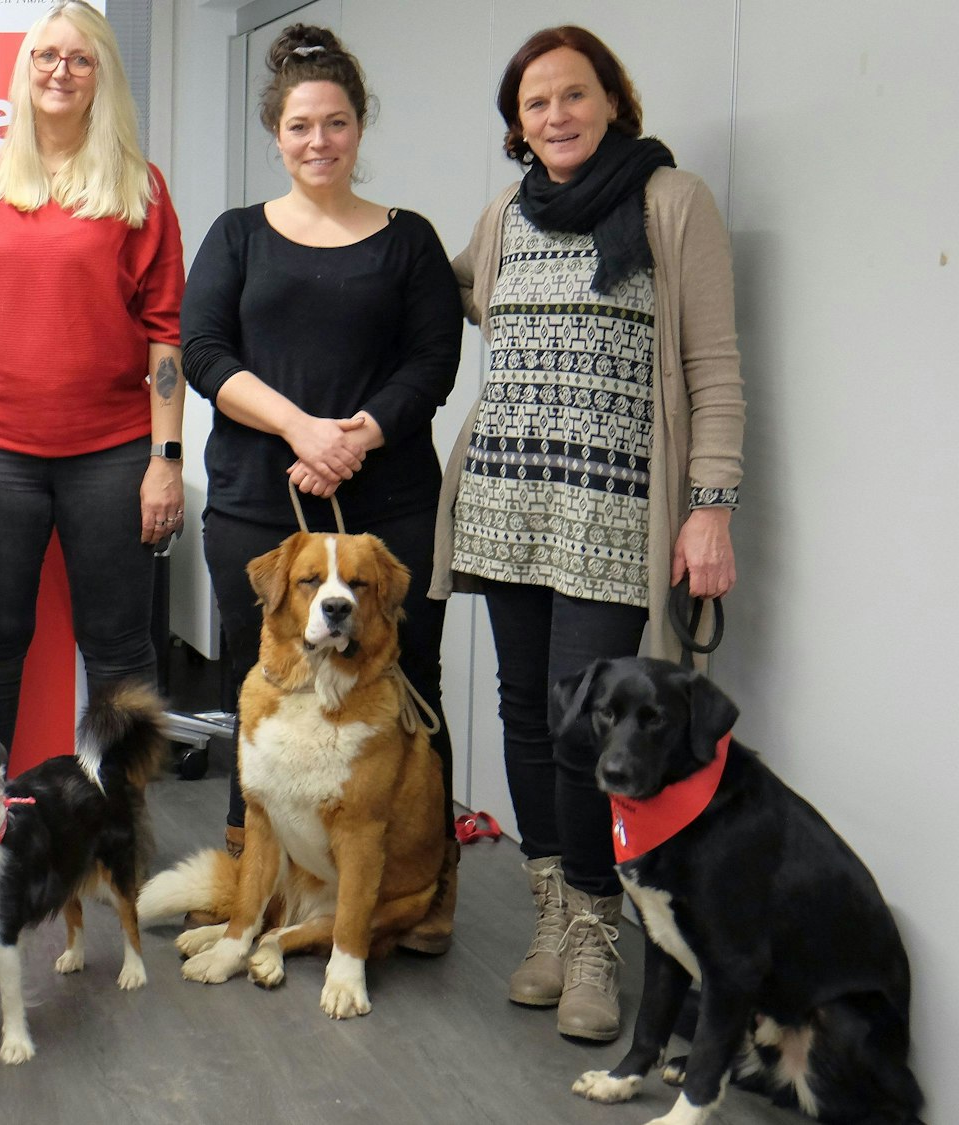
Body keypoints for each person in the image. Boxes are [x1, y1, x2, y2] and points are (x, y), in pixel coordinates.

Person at [430, 26, 745, 1040]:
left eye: (572, 95)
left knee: (590, 731)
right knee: (525, 712)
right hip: (506, 499)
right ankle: (551, 921)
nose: (555, 116)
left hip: (613, 508)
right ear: (515, 126)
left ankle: (595, 940)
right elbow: (453, 293)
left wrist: (709, 506)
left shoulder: (668, 202)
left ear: (611, 100)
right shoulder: (503, 215)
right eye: (534, 104)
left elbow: (712, 366)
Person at [181, 24, 462, 939]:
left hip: (389, 505)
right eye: (301, 125)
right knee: (261, 679)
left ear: (358, 127)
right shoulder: (236, 236)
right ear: (276, 132)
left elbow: (432, 361)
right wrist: (301, 427)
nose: (319, 142)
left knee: (407, 681)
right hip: (259, 500)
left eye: (336, 123)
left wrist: (357, 437)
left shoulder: (408, 239)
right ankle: (251, 882)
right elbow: (202, 351)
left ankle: (425, 893)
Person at [0, 0, 184, 754]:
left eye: (79, 57)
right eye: (46, 55)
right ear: (25, 69)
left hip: (111, 453)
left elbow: (166, 336)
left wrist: (165, 463)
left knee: (118, 644)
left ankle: (118, 831)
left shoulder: (142, 187)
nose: (60, 71)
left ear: (101, 73)